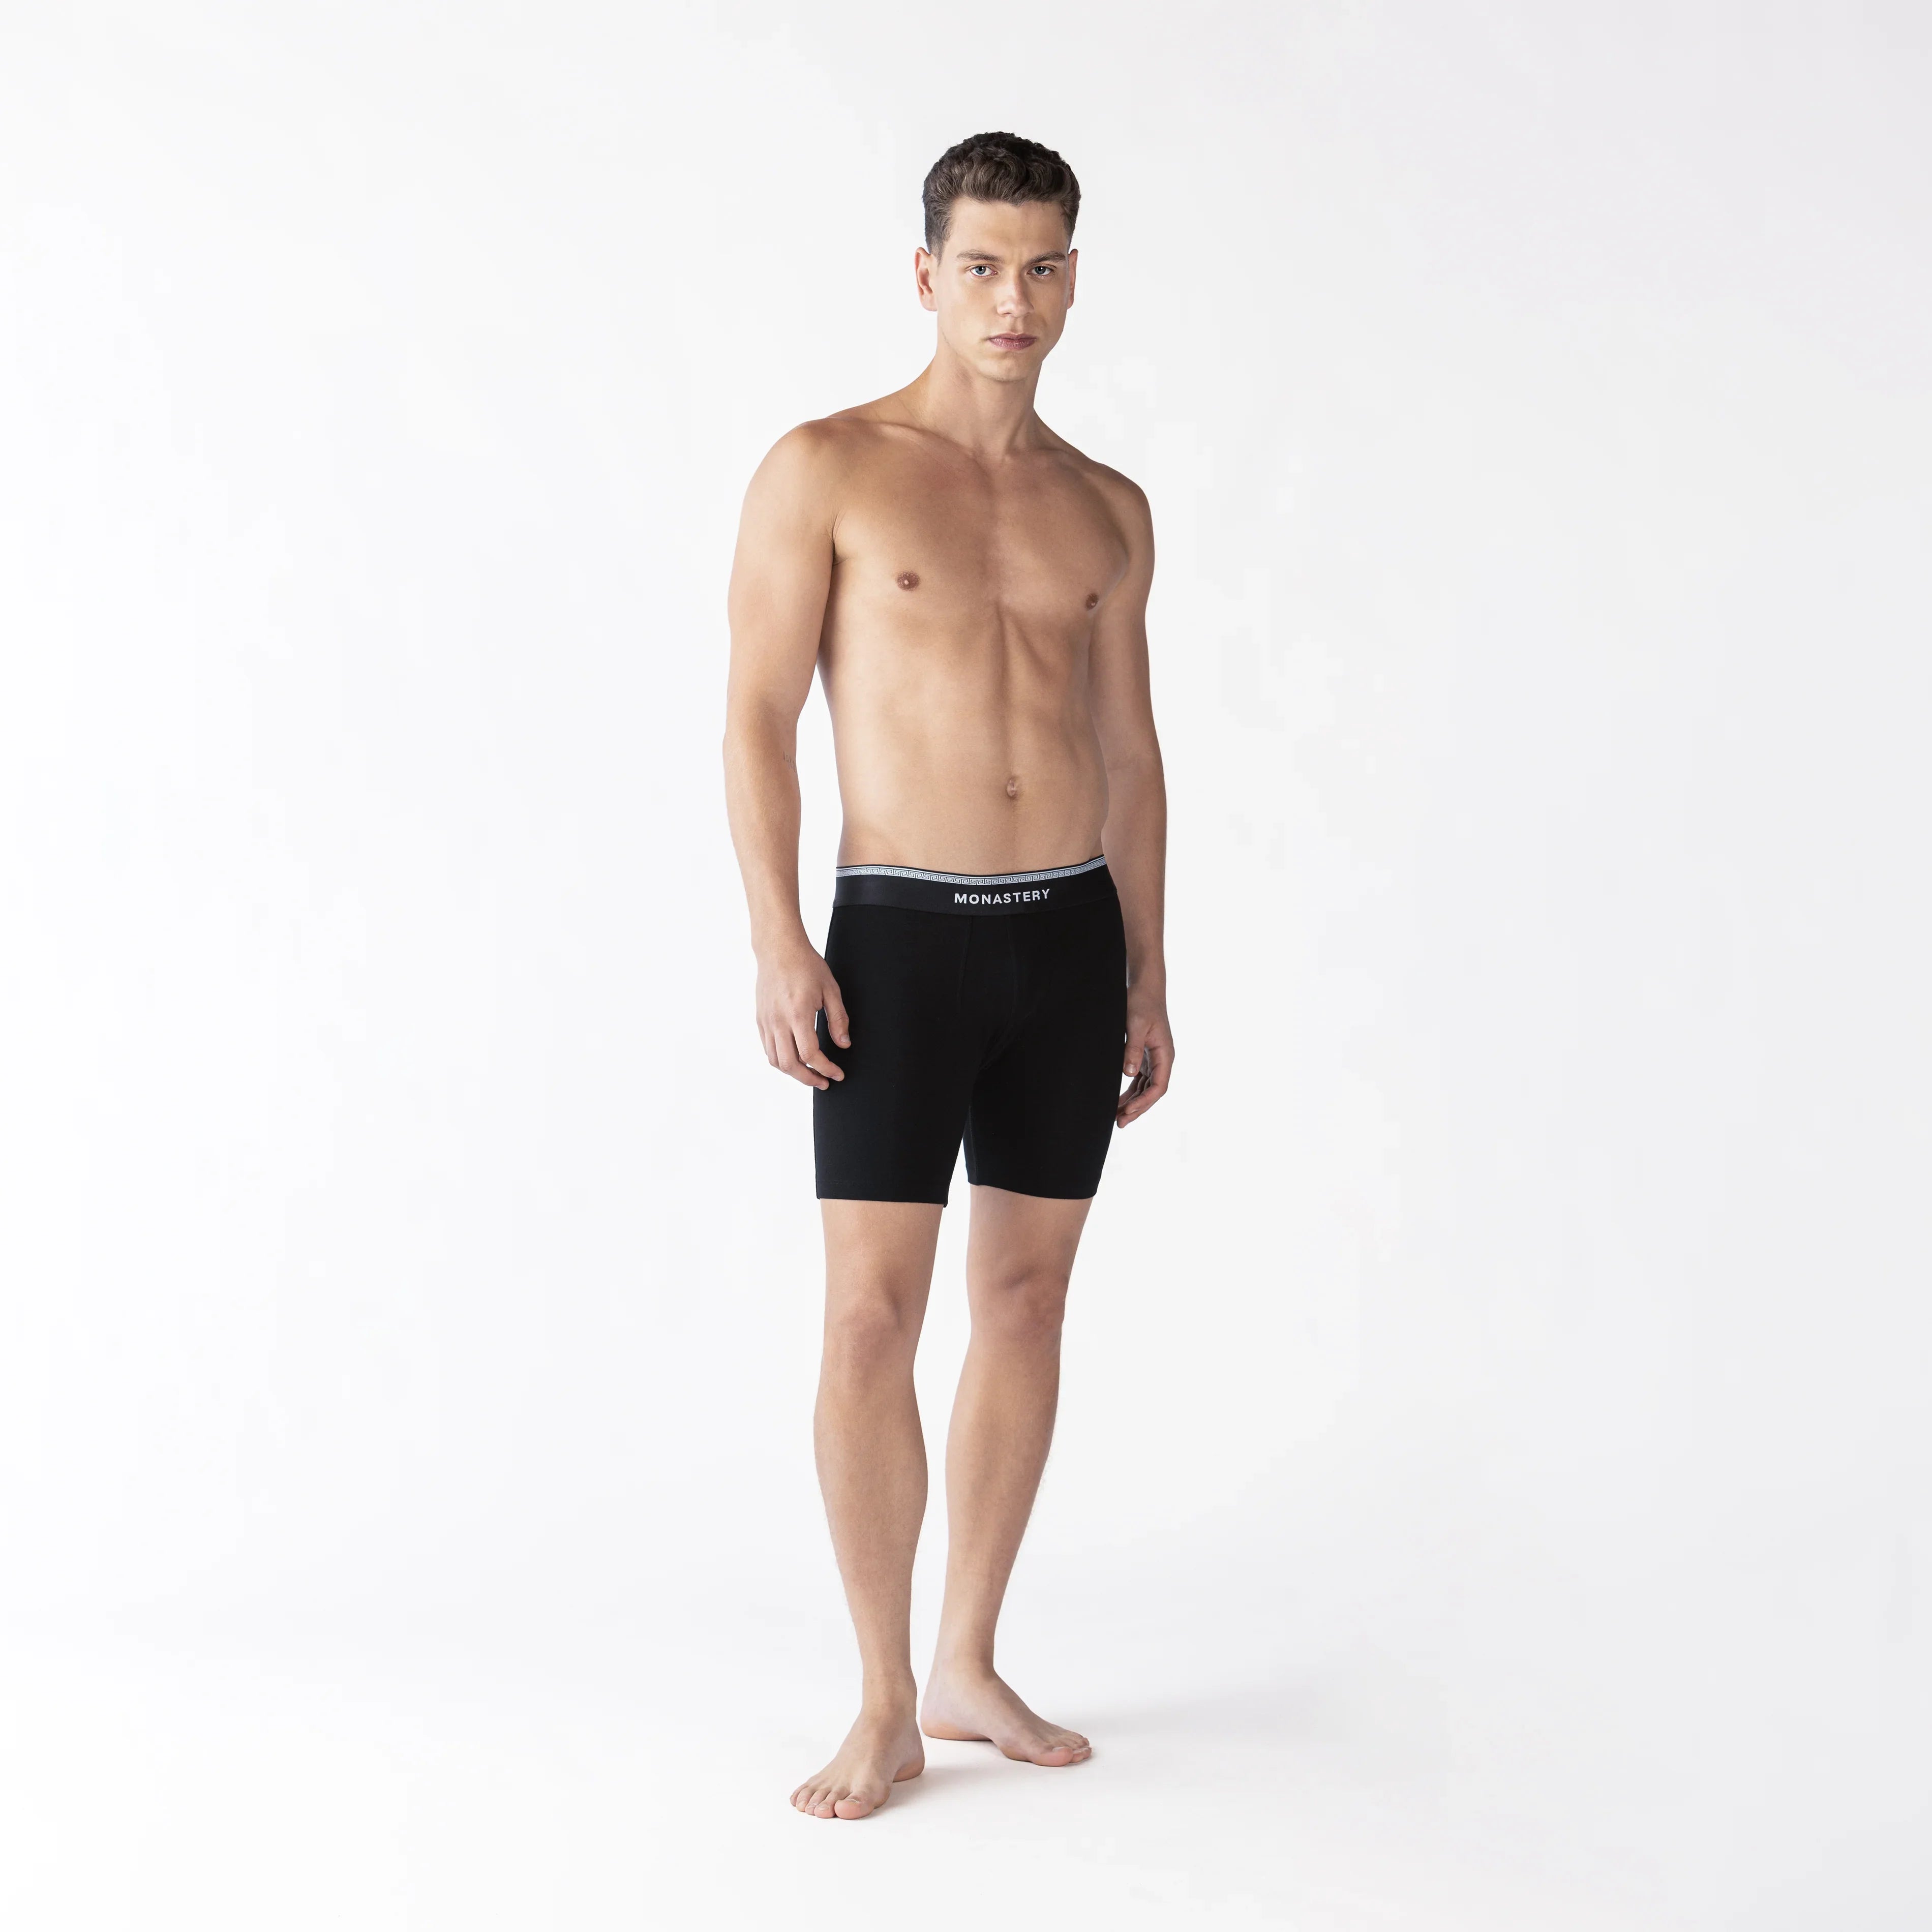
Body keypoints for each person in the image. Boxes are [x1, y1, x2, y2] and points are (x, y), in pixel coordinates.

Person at [723, 131, 1173, 1822]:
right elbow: (756, 715)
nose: (1012, 299)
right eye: (981, 266)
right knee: (868, 1318)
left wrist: (1148, 969)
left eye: (1042, 267)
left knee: (1027, 1303)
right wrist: (779, 936)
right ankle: (883, 1698)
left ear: (1074, 280)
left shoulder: (1106, 507)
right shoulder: (828, 468)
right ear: (928, 276)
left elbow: (1131, 754)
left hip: (1066, 938)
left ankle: (970, 1660)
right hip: (898, 937)